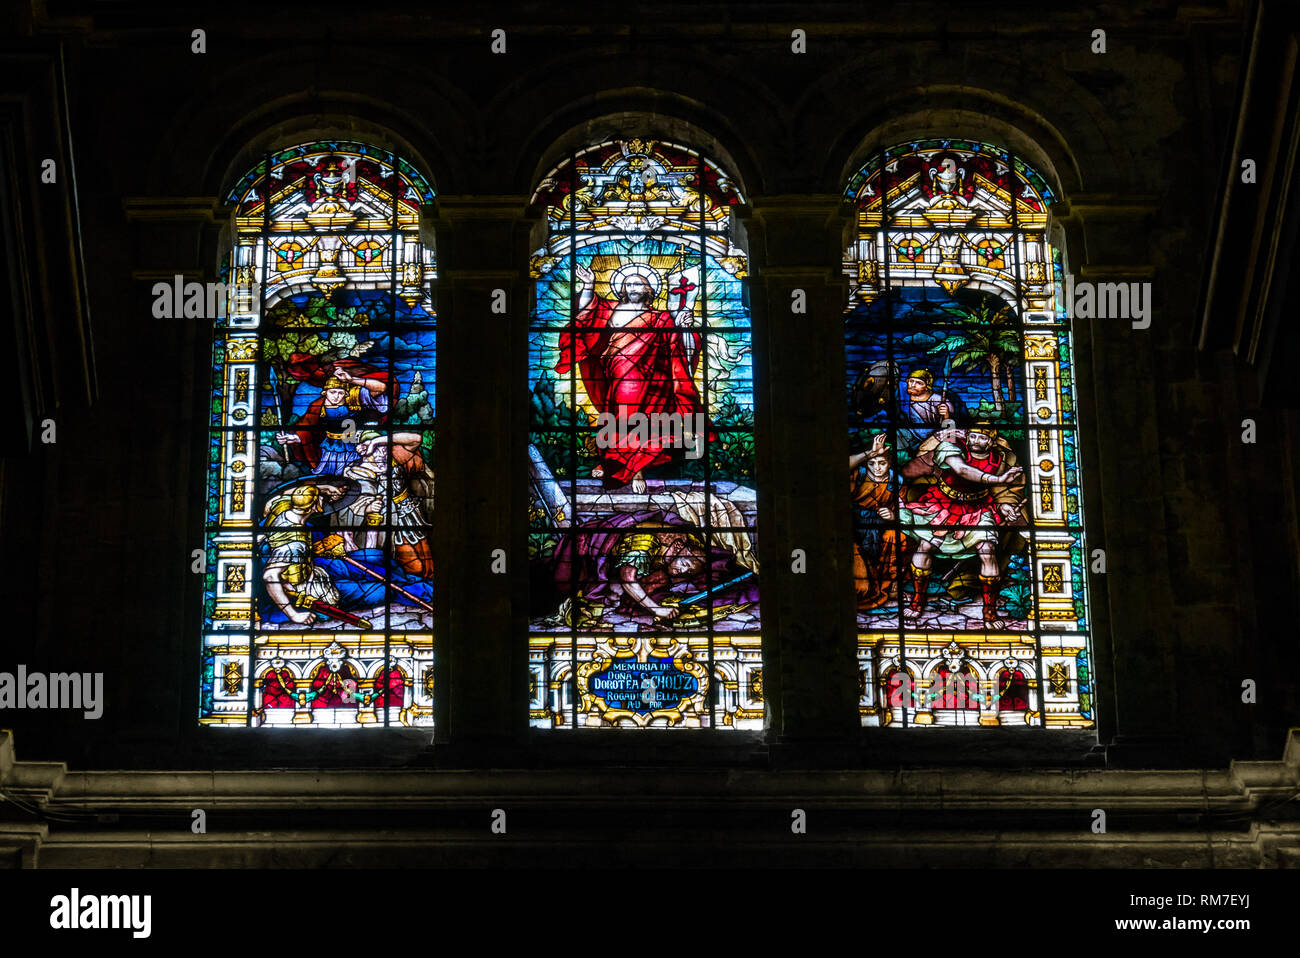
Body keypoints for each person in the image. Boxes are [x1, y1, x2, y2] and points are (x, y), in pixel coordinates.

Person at [557, 262, 709, 494]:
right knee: (619, 418)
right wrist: (588, 285)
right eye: (628, 283)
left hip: (649, 378)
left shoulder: (660, 318)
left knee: (641, 421)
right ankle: (613, 463)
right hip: (617, 373)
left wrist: (684, 329)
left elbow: (674, 348)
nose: (632, 287)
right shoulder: (611, 309)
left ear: (649, 289)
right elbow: (588, 316)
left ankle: (636, 470)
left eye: (638, 283)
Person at [898, 422, 1024, 624]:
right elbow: (962, 470)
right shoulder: (951, 447)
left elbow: (1005, 493)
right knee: (925, 546)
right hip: (942, 504)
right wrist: (998, 480)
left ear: (991, 441)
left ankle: (989, 611)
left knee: (988, 550)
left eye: (983, 438)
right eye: (973, 436)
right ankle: (917, 601)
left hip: (979, 508)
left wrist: (1006, 506)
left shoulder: (999, 460)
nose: (976, 441)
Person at [276, 366, 389, 475]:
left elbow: (381, 388)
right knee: (328, 476)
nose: (336, 396)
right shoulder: (317, 406)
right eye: (333, 392)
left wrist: (351, 379)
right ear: (325, 392)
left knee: (352, 474)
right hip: (329, 449)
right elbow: (308, 429)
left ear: (346, 394)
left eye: (340, 393)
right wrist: (294, 438)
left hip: (353, 447)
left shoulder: (354, 399)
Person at [850, 432, 900, 612]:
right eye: (872, 463)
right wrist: (869, 453)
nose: (877, 468)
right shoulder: (859, 476)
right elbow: (836, 468)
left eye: (882, 463)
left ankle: (891, 583)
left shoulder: (896, 481)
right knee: (861, 588)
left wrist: (894, 516)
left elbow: (908, 509)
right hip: (854, 527)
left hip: (881, 527)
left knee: (897, 537)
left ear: (890, 463)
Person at [897, 368, 967, 461]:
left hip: (934, 438)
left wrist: (946, 415)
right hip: (912, 437)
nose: (913, 385)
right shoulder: (902, 397)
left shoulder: (938, 400)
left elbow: (951, 427)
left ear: (927, 386)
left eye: (919, 383)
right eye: (911, 381)